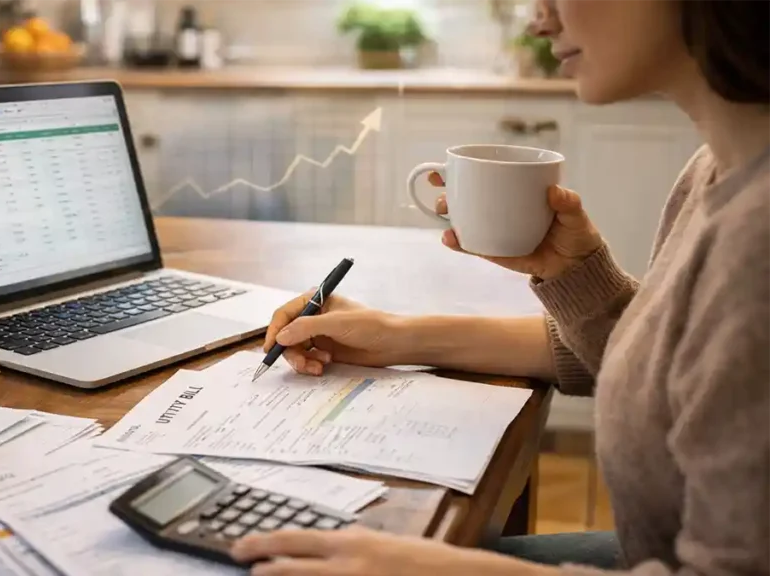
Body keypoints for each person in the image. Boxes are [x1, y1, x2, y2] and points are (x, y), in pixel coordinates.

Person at [228, 0, 770, 574]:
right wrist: (396, 336)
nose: (539, 19)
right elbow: (675, 369)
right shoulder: (714, 167)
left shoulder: (756, 239)